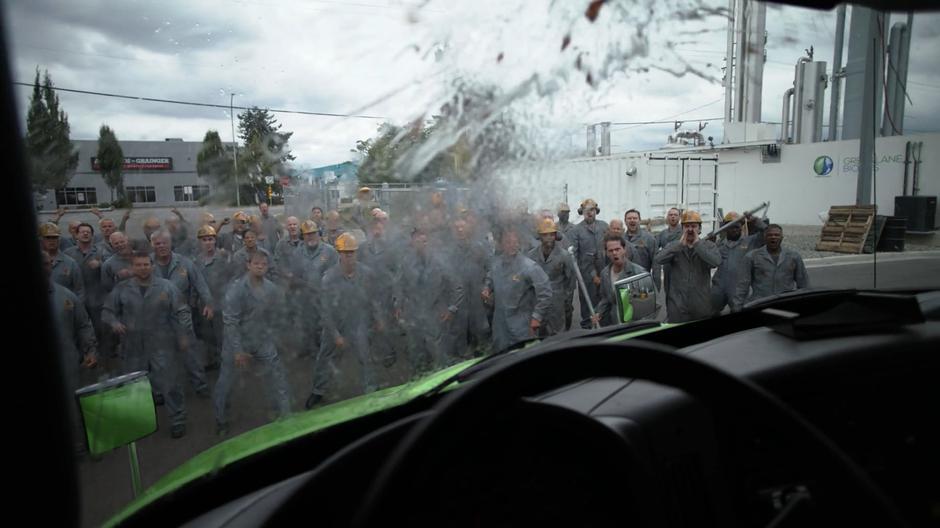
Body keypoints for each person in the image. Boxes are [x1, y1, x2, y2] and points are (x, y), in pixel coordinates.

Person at [102, 251, 193, 438]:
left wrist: (183, 334)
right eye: (138, 265)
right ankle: (139, 422)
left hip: (161, 341)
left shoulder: (167, 287)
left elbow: (182, 311)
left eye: (146, 264)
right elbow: (107, 312)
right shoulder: (121, 289)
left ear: (152, 266)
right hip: (133, 344)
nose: (143, 268)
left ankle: (177, 420)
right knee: (133, 384)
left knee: (170, 383)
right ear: (132, 267)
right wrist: (114, 323)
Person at [214, 251, 291, 435]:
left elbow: (276, 314)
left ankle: (284, 413)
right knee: (226, 381)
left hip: (261, 339)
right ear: (248, 265)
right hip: (236, 342)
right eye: (256, 263)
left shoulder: (271, 288)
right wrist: (238, 351)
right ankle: (221, 419)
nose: (260, 266)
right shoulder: (237, 290)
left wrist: (275, 337)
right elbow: (231, 322)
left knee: (276, 374)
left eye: (264, 264)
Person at [306, 233, 383, 408]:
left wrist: (378, 318)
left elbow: (373, 299)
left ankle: (371, 388)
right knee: (325, 358)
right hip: (335, 323)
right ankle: (318, 391)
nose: (350, 257)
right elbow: (325, 310)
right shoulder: (329, 278)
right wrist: (335, 335)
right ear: (339, 254)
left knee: (365, 355)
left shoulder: (366, 273)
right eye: (346, 253)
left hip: (358, 322)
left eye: (353, 252)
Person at [395, 228, 465, 375]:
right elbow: (399, 285)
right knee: (416, 354)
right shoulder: (406, 263)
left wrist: (452, 308)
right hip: (413, 315)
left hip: (435, 315)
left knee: (439, 355)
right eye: (417, 241)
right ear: (412, 243)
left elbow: (457, 286)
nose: (421, 244)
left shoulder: (440, 262)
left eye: (424, 241)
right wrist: (398, 305)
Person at [482, 229, 552, 352]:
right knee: (500, 356)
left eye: (515, 242)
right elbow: (490, 277)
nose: (512, 245)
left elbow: (545, 292)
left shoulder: (529, 267)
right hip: (500, 324)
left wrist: (537, 317)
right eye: (508, 242)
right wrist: (487, 288)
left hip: (522, 325)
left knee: (522, 357)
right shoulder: (496, 265)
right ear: (501, 244)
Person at [652, 210, 721, 323]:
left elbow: (716, 262)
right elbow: (658, 259)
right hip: (677, 305)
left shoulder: (709, 246)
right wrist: (679, 246)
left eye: (693, 226)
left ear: (699, 229)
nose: (690, 230)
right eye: (687, 226)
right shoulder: (674, 246)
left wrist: (698, 245)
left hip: (700, 304)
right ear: (682, 228)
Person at [733, 224, 810, 311]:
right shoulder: (752, 257)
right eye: (770, 235)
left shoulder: (793, 257)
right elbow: (742, 285)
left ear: (782, 237)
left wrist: (805, 305)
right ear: (764, 237)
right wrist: (737, 308)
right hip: (760, 304)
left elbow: (803, 284)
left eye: (777, 235)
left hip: (785, 304)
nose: (773, 237)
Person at [709, 211, 766, 314]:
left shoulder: (750, 242)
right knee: (711, 311)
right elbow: (710, 260)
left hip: (739, 287)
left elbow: (767, 233)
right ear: (725, 228)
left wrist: (756, 221)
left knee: (738, 312)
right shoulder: (720, 244)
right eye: (731, 227)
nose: (734, 229)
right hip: (718, 286)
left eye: (737, 226)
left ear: (741, 227)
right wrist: (710, 244)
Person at [526, 218, 575, 337]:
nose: (549, 237)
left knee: (558, 334)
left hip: (557, 301)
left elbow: (570, 281)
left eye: (551, 234)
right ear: (540, 236)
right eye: (545, 235)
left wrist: (567, 301)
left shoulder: (564, 255)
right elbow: (527, 281)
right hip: (538, 301)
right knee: (538, 334)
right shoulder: (531, 256)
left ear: (556, 236)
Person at [592, 235, 648, 327]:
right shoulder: (605, 273)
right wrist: (598, 312)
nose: (614, 253)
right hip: (616, 324)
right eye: (611, 250)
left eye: (617, 249)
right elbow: (605, 298)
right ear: (606, 253)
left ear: (624, 249)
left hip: (635, 325)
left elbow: (649, 302)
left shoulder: (638, 272)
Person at [570, 199, 608, 329]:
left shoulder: (604, 226)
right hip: (586, 274)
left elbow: (610, 246)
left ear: (596, 211)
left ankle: (604, 329)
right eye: (586, 211)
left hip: (604, 271)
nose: (589, 213)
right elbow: (573, 254)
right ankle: (587, 331)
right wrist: (576, 275)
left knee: (605, 300)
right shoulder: (576, 230)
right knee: (587, 304)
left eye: (592, 210)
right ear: (582, 212)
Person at [39, 222, 85, 302]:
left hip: (64, 306)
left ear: (59, 239)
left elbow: (79, 290)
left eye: (54, 238)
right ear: (41, 239)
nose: (51, 241)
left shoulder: (70, 263)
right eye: (48, 237)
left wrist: (76, 308)